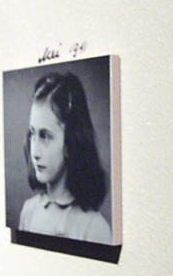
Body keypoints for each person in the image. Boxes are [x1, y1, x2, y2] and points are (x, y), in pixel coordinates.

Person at [18, 71, 111, 244]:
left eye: (45, 136)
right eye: (32, 134)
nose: (35, 152)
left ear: (71, 142)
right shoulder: (29, 211)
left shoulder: (94, 228)